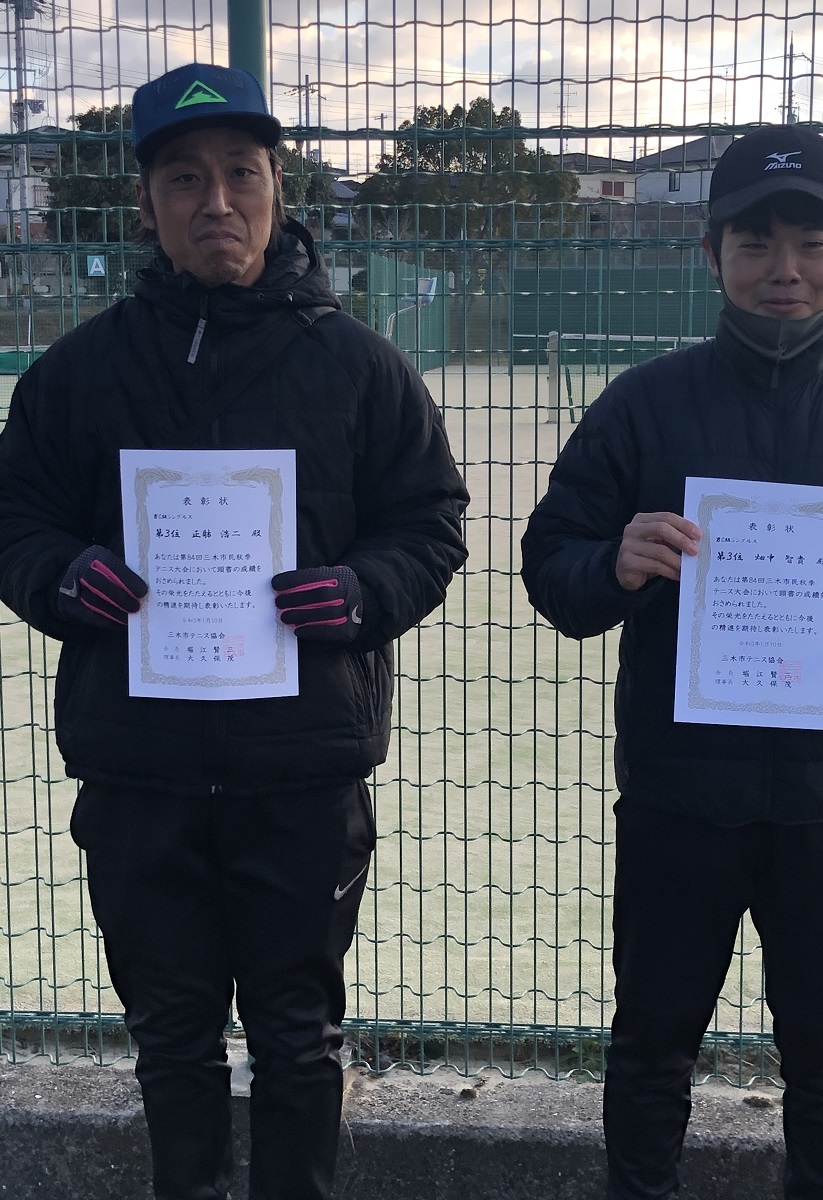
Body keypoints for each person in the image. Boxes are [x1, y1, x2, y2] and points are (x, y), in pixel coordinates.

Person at [0, 62, 467, 1200]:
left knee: (299, 1038)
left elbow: (430, 524)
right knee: (170, 1038)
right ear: (147, 202)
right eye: (185, 178)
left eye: (241, 175)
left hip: (301, 771)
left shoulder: (359, 366)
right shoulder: (78, 373)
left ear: (276, 189)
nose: (217, 201)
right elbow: (15, 522)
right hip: (139, 769)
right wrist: (62, 576)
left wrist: (361, 593)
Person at [521, 124, 823, 1200]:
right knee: (652, 1048)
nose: (785, 268)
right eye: (755, 243)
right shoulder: (644, 404)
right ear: (712, 256)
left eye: (811, 242)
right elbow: (551, 564)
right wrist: (615, 561)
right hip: (679, 799)